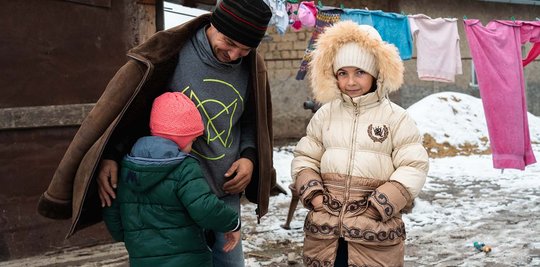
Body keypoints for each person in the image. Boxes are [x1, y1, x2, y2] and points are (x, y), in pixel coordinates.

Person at [37, 1, 275, 266]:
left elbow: (253, 120)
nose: (233, 55)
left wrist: (249, 157)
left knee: (229, 263)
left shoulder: (252, 66)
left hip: (224, 190)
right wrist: (112, 155)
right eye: (229, 42)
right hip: (171, 192)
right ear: (214, 24)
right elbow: (132, 112)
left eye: (245, 49)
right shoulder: (170, 53)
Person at [291, 21, 429, 266]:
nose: (351, 81)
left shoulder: (395, 118)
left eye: (360, 72)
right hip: (326, 232)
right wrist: (315, 196)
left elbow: (413, 165)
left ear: (376, 72)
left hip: (374, 235)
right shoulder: (325, 115)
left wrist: (378, 206)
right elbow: (306, 157)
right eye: (343, 73)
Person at [102, 92, 241, 266]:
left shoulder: (127, 166)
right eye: (193, 140)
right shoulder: (184, 168)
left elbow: (113, 214)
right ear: (181, 138)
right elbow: (204, 207)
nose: (192, 147)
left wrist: (134, 239)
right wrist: (232, 224)